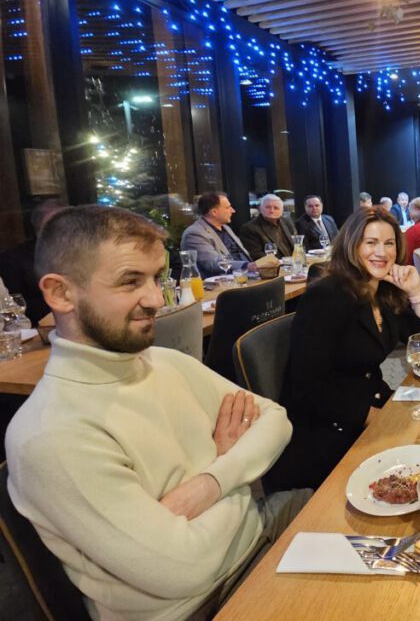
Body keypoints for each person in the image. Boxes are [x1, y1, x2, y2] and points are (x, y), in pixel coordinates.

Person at [4, 205, 305, 621]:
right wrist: (236, 469)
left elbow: (277, 422)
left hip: (261, 532)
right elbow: (185, 571)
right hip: (205, 603)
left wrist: (209, 483)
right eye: (130, 281)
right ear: (60, 293)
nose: (155, 299)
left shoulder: (163, 361)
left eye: (156, 278)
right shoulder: (51, 436)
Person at [273, 208, 420, 489]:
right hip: (327, 430)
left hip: (372, 402)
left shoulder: (383, 290)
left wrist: (416, 292)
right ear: (352, 246)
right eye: (371, 242)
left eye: (389, 243)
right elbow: (307, 388)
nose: (381, 252)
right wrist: (376, 418)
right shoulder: (326, 296)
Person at [0, 198, 63, 324]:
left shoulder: (80, 253)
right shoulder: (13, 259)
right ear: (39, 227)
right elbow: (15, 307)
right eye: (55, 225)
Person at [181, 191, 256, 278]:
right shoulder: (194, 233)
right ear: (214, 212)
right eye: (228, 207)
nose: (233, 211)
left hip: (247, 276)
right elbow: (213, 262)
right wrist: (246, 265)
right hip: (221, 282)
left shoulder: (226, 228)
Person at [238, 193, 297, 259]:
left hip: (293, 262)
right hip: (273, 264)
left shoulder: (286, 222)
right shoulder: (249, 228)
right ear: (260, 209)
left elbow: (297, 244)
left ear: (282, 211)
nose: (272, 211)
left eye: (276, 208)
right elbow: (256, 255)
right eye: (268, 207)